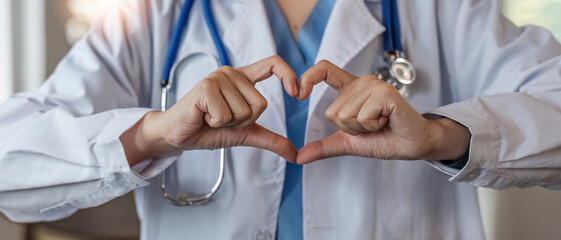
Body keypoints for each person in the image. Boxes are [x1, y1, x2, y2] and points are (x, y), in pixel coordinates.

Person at [1, 0, 561, 239]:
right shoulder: (155, 13)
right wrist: (152, 132)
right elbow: (10, 161)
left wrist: (444, 134)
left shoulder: (437, 8)